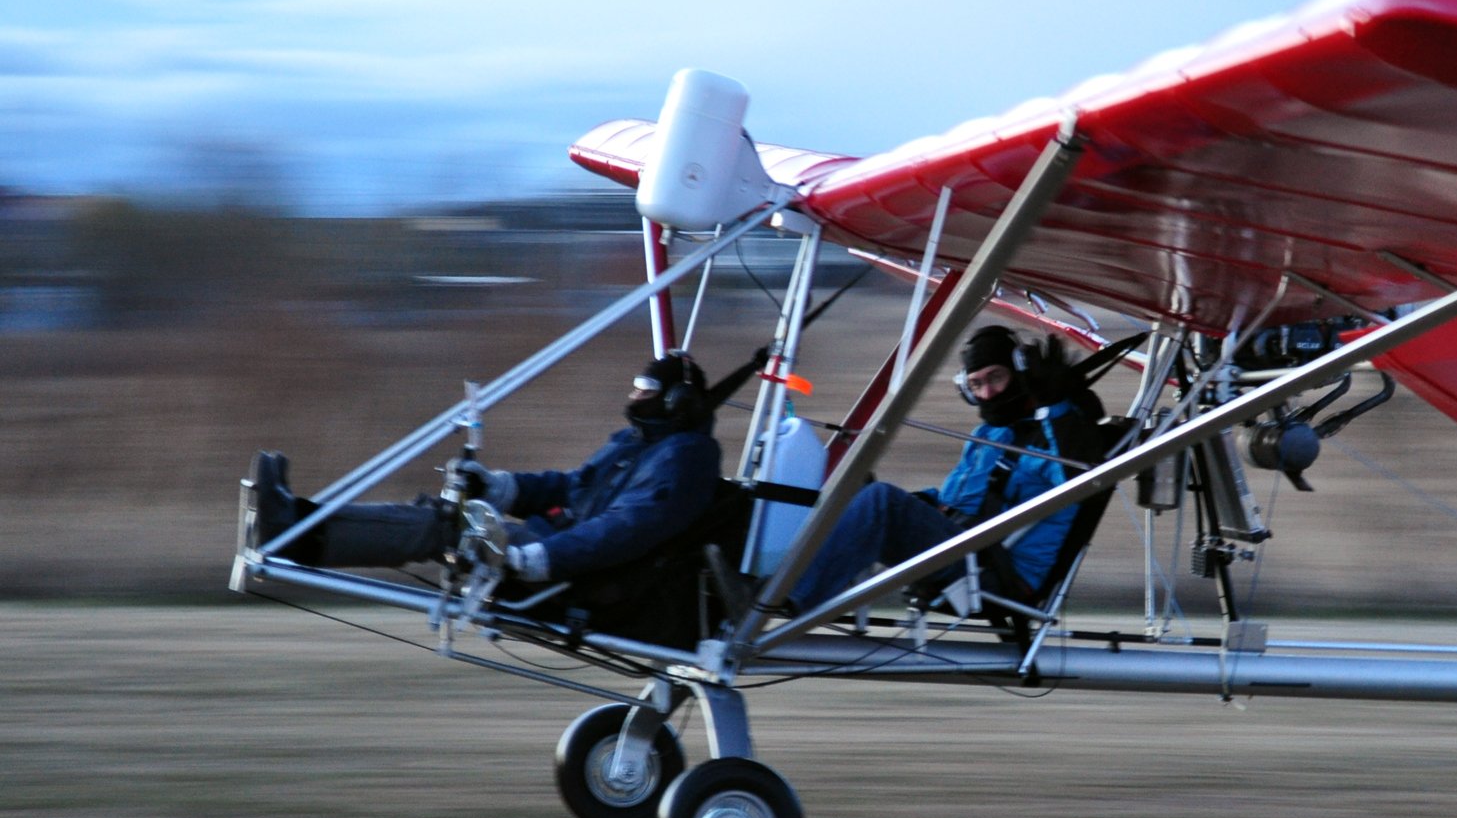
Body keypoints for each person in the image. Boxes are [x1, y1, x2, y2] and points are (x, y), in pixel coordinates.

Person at [247, 351, 726, 585]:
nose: (633, 395)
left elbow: (627, 527)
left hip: (577, 569)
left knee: (443, 527)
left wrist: (542, 558)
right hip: (552, 544)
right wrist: (498, 488)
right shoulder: (636, 443)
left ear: (675, 401)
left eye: (645, 387)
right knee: (450, 514)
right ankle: (296, 523)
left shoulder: (683, 459)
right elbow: (575, 487)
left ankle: (294, 532)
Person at [788, 325, 1102, 612]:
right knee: (854, 487)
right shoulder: (989, 435)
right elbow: (958, 500)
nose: (987, 394)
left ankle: (791, 596)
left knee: (881, 502)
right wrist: (919, 502)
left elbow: (1080, 480)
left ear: (1019, 373)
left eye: (995, 378)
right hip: (964, 546)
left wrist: (1056, 406)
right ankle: (786, 578)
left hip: (996, 571)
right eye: (976, 384)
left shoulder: (1061, 435)